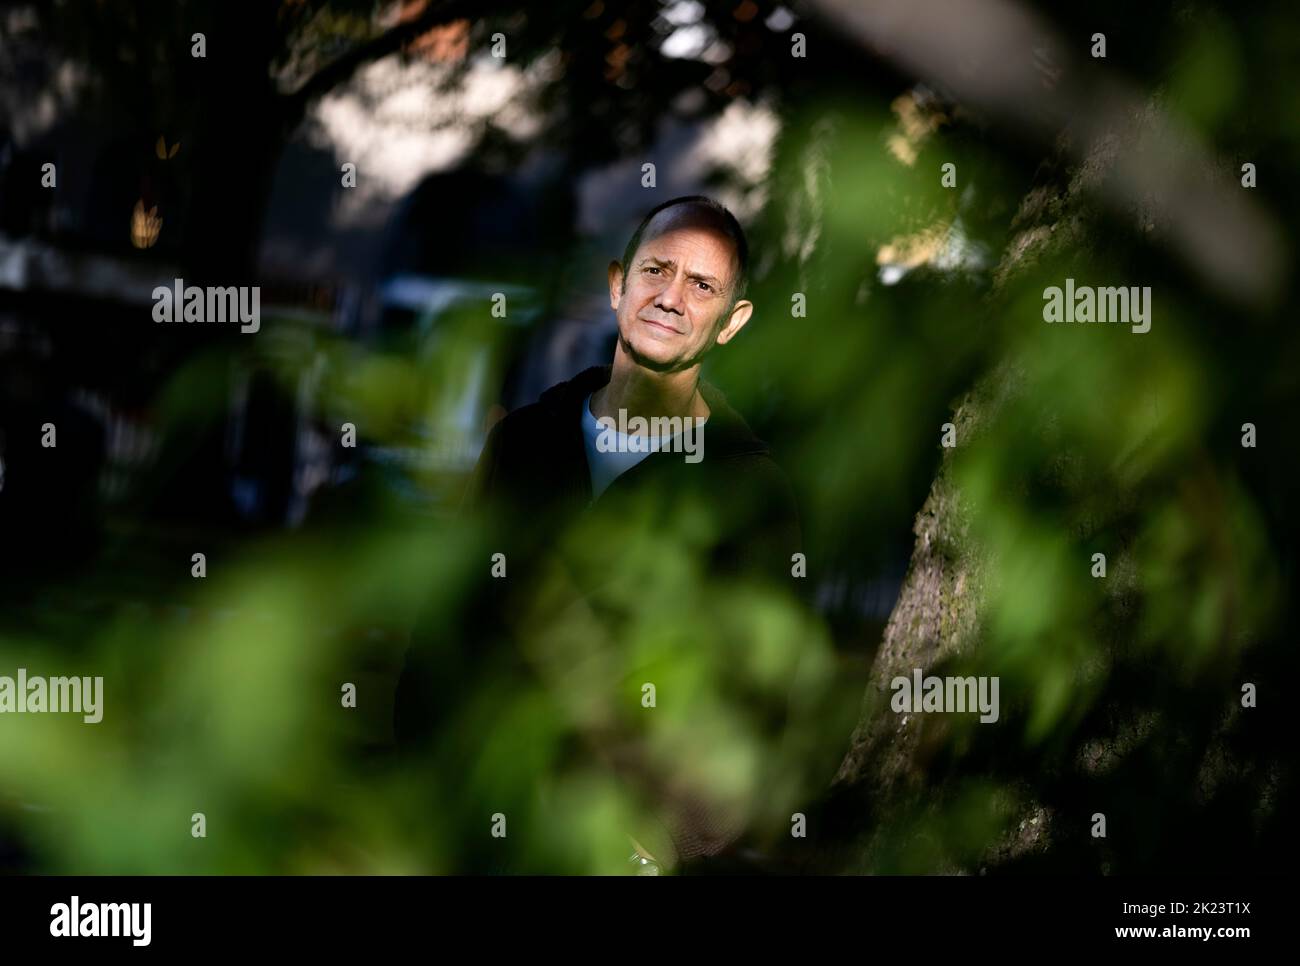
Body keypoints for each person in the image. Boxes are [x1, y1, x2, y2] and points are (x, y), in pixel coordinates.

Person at [395, 196, 803, 873]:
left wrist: (667, 848)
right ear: (618, 284)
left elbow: (759, 706)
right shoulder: (523, 441)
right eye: (656, 270)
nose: (670, 298)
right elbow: (445, 624)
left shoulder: (750, 493)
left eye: (701, 286)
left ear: (733, 323)